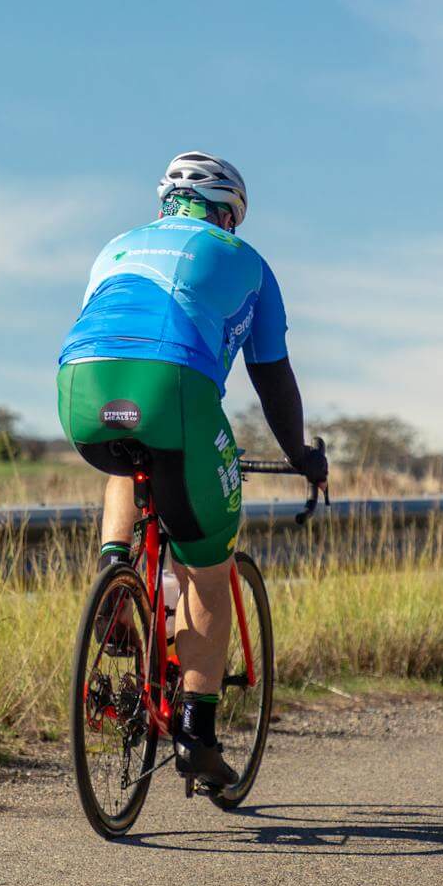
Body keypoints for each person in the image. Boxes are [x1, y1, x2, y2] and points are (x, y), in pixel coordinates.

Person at [56, 151, 327, 788]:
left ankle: (115, 568)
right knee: (208, 563)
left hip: (79, 389)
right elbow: (272, 379)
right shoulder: (247, 261)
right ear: (229, 212)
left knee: (131, 450)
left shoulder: (115, 247)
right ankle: (196, 734)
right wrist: (301, 456)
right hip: (173, 387)